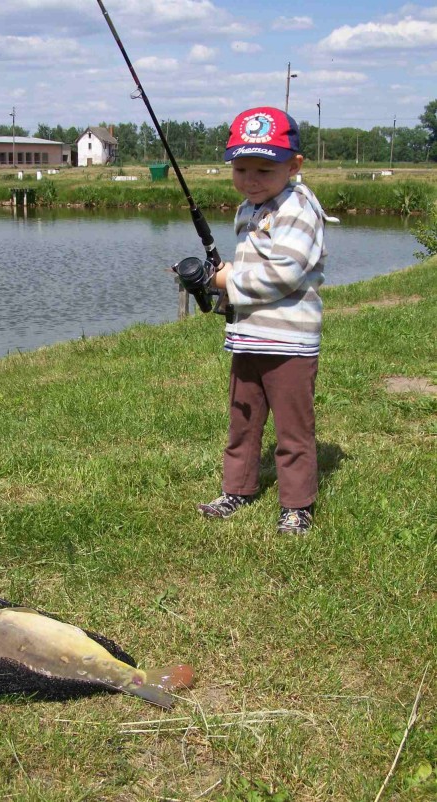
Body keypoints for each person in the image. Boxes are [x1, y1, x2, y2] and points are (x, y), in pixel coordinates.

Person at [197, 106, 336, 534]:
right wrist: (223, 289)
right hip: (249, 338)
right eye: (241, 168)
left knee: (293, 430)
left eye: (264, 168)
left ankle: (297, 505)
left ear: (294, 166)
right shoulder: (252, 207)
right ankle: (237, 488)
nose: (251, 178)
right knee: (242, 419)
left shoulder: (298, 208)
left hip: (289, 343)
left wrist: (228, 279)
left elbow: (285, 271)